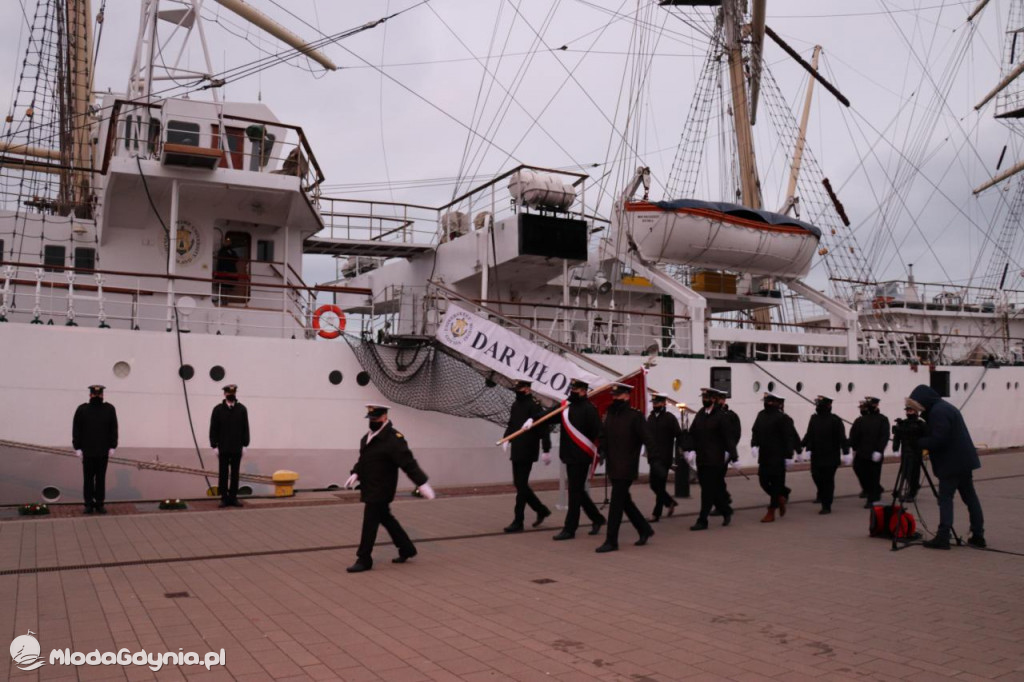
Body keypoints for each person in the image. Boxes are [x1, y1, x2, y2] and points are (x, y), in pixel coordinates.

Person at [345, 404, 435, 572]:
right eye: (371, 418)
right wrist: (355, 473)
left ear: (385, 417)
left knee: (370, 522)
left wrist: (421, 483)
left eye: (376, 418)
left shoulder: (393, 440)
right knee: (386, 518)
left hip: (382, 489)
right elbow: (364, 460)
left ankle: (364, 559)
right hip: (370, 486)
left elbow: (408, 463)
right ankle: (407, 548)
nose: (373, 421)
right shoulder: (367, 438)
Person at [907, 385, 986, 550]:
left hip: (951, 463)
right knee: (970, 497)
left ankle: (943, 536)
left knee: (945, 498)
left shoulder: (938, 412)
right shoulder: (945, 408)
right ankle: (978, 535)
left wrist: (918, 442)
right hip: (963, 461)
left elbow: (939, 439)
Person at [595, 383, 655, 552]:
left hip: (627, 465)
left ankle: (611, 541)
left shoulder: (635, 416)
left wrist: (655, 460)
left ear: (627, 396)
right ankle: (644, 529)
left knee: (616, 503)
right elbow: (603, 434)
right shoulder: (610, 414)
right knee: (624, 501)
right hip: (613, 464)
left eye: (619, 395)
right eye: (614, 395)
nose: (615, 398)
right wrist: (602, 450)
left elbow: (647, 438)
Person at [552, 378, 606, 541]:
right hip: (568, 454)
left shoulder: (589, 409)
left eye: (575, 389)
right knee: (577, 491)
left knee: (574, 493)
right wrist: (533, 420)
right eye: (571, 389)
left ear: (583, 391)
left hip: (582, 455)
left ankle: (570, 528)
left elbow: (598, 430)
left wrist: (602, 450)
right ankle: (597, 518)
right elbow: (549, 416)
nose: (572, 392)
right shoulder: (566, 406)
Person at [502, 380, 553, 533]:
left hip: (528, 449)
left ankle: (518, 521)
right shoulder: (515, 405)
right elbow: (512, 424)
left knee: (521, 485)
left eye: (520, 388)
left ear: (527, 389)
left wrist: (546, 449)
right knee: (519, 484)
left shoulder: (534, 405)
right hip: (517, 448)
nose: (517, 391)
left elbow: (544, 427)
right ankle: (541, 510)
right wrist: (506, 438)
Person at [686, 388, 733, 530]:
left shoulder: (721, 416)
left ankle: (702, 520)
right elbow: (692, 433)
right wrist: (690, 449)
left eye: (707, 397)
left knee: (707, 490)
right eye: (703, 397)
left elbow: (728, 437)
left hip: (715, 458)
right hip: (702, 458)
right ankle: (725, 510)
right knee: (712, 489)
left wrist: (732, 455)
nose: (704, 400)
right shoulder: (700, 414)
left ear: (713, 399)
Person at [751, 393, 800, 523]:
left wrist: (789, 456)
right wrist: (754, 444)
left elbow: (789, 437)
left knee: (777, 482)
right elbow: (755, 430)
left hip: (778, 456)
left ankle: (771, 510)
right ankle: (781, 496)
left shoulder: (783, 418)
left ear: (777, 403)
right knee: (763, 481)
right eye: (767, 401)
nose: (768, 403)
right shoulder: (761, 415)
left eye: (770, 401)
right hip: (764, 455)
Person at [72, 385, 118, 514]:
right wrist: (78, 447)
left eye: (99, 394)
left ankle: (99, 503)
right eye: (95, 394)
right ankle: (88, 504)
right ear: (90, 395)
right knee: (88, 479)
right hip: (87, 451)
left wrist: (113, 446)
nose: (97, 396)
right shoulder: (82, 409)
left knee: (100, 479)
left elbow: (113, 428)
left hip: (103, 450)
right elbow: (77, 429)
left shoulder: (109, 409)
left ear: (102, 395)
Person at [801, 395, 849, 514]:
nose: (817, 407)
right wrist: (801, 446)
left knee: (828, 480)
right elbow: (809, 434)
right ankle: (823, 495)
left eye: (820, 405)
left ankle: (826, 505)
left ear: (828, 406)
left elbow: (842, 437)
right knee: (816, 476)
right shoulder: (814, 419)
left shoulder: (835, 420)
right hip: (817, 455)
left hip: (830, 456)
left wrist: (846, 452)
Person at [209, 384, 250, 508]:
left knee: (235, 473)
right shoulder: (218, 409)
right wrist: (214, 445)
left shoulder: (242, 409)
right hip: (223, 447)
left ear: (235, 394)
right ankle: (224, 498)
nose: (231, 395)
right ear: (224, 394)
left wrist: (245, 444)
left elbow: (245, 428)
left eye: (233, 393)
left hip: (237, 447)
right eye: (228, 393)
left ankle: (233, 498)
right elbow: (213, 428)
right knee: (223, 473)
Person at [848, 396, 889, 508]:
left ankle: (872, 499)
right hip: (862, 453)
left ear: (876, 405)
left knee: (873, 476)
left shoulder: (882, 419)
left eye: (871, 405)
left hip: (875, 453)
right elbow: (854, 435)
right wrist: (850, 449)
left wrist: (879, 451)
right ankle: (875, 490)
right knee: (859, 471)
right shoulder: (861, 420)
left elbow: (884, 436)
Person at [645, 394, 680, 522]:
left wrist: (681, 451)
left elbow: (678, 435)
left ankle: (656, 514)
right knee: (653, 485)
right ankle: (669, 502)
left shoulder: (670, 418)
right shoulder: (650, 418)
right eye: (654, 403)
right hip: (653, 457)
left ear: (664, 403)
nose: (655, 405)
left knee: (659, 485)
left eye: (658, 403)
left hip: (664, 458)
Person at [891, 399, 927, 502]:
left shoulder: (921, 424)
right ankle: (913, 486)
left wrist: (926, 450)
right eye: (907, 411)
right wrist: (895, 448)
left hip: (916, 452)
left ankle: (912, 492)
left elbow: (927, 437)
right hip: (905, 452)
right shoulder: (903, 423)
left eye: (910, 411)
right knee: (905, 472)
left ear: (915, 412)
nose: (908, 413)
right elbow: (897, 437)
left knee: (914, 472)